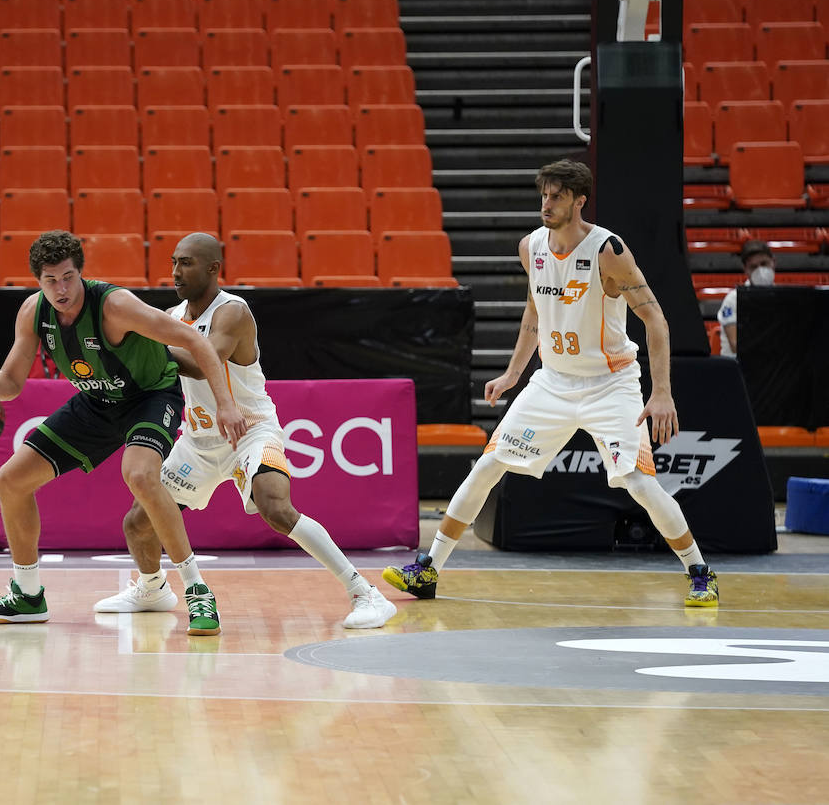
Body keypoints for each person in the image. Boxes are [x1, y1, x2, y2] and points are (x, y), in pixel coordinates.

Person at [383, 159, 719, 607]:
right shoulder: (531, 247)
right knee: (486, 467)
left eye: (557, 196)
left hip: (611, 383)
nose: (547, 203)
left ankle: (701, 572)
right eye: (544, 194)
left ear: (579, 200)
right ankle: (428, 570)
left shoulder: (608, 251)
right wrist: (512, 374)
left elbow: (655, 318)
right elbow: (534, 313)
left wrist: (662, 392)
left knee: (638, 484)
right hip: (553, 383)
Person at [0, 230, 248, 635]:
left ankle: (197, 591)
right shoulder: (33, 312)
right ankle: (28, 595)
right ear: (38, 281)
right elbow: (12, 382)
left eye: (68, 277)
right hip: (98, 401)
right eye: (51, 280)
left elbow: (193, 339)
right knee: (11, 479)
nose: (61, 288)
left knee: (139, 474)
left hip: (150, 395)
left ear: (80, 273)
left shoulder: (115, 305)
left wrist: (225, 402)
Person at [93, 233, 399, 629]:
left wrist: (144, 345)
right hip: (199, 440)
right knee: (137, 523)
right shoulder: (170, 318)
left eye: (186, 262)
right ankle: (152, 589)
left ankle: (365, 593)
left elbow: (204, 358)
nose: (175, 271)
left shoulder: (232, 312)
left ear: (213, 268)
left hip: (249, 431)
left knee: (275, 507)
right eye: (173, 261)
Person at [717, 240, 775, 357]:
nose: (760, 271)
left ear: (773, 263)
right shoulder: (733, 300)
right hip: (738, 368)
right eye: (753, 267)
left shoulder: (784, 298)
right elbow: (735, 345)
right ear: (745, 270)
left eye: (764, 264)